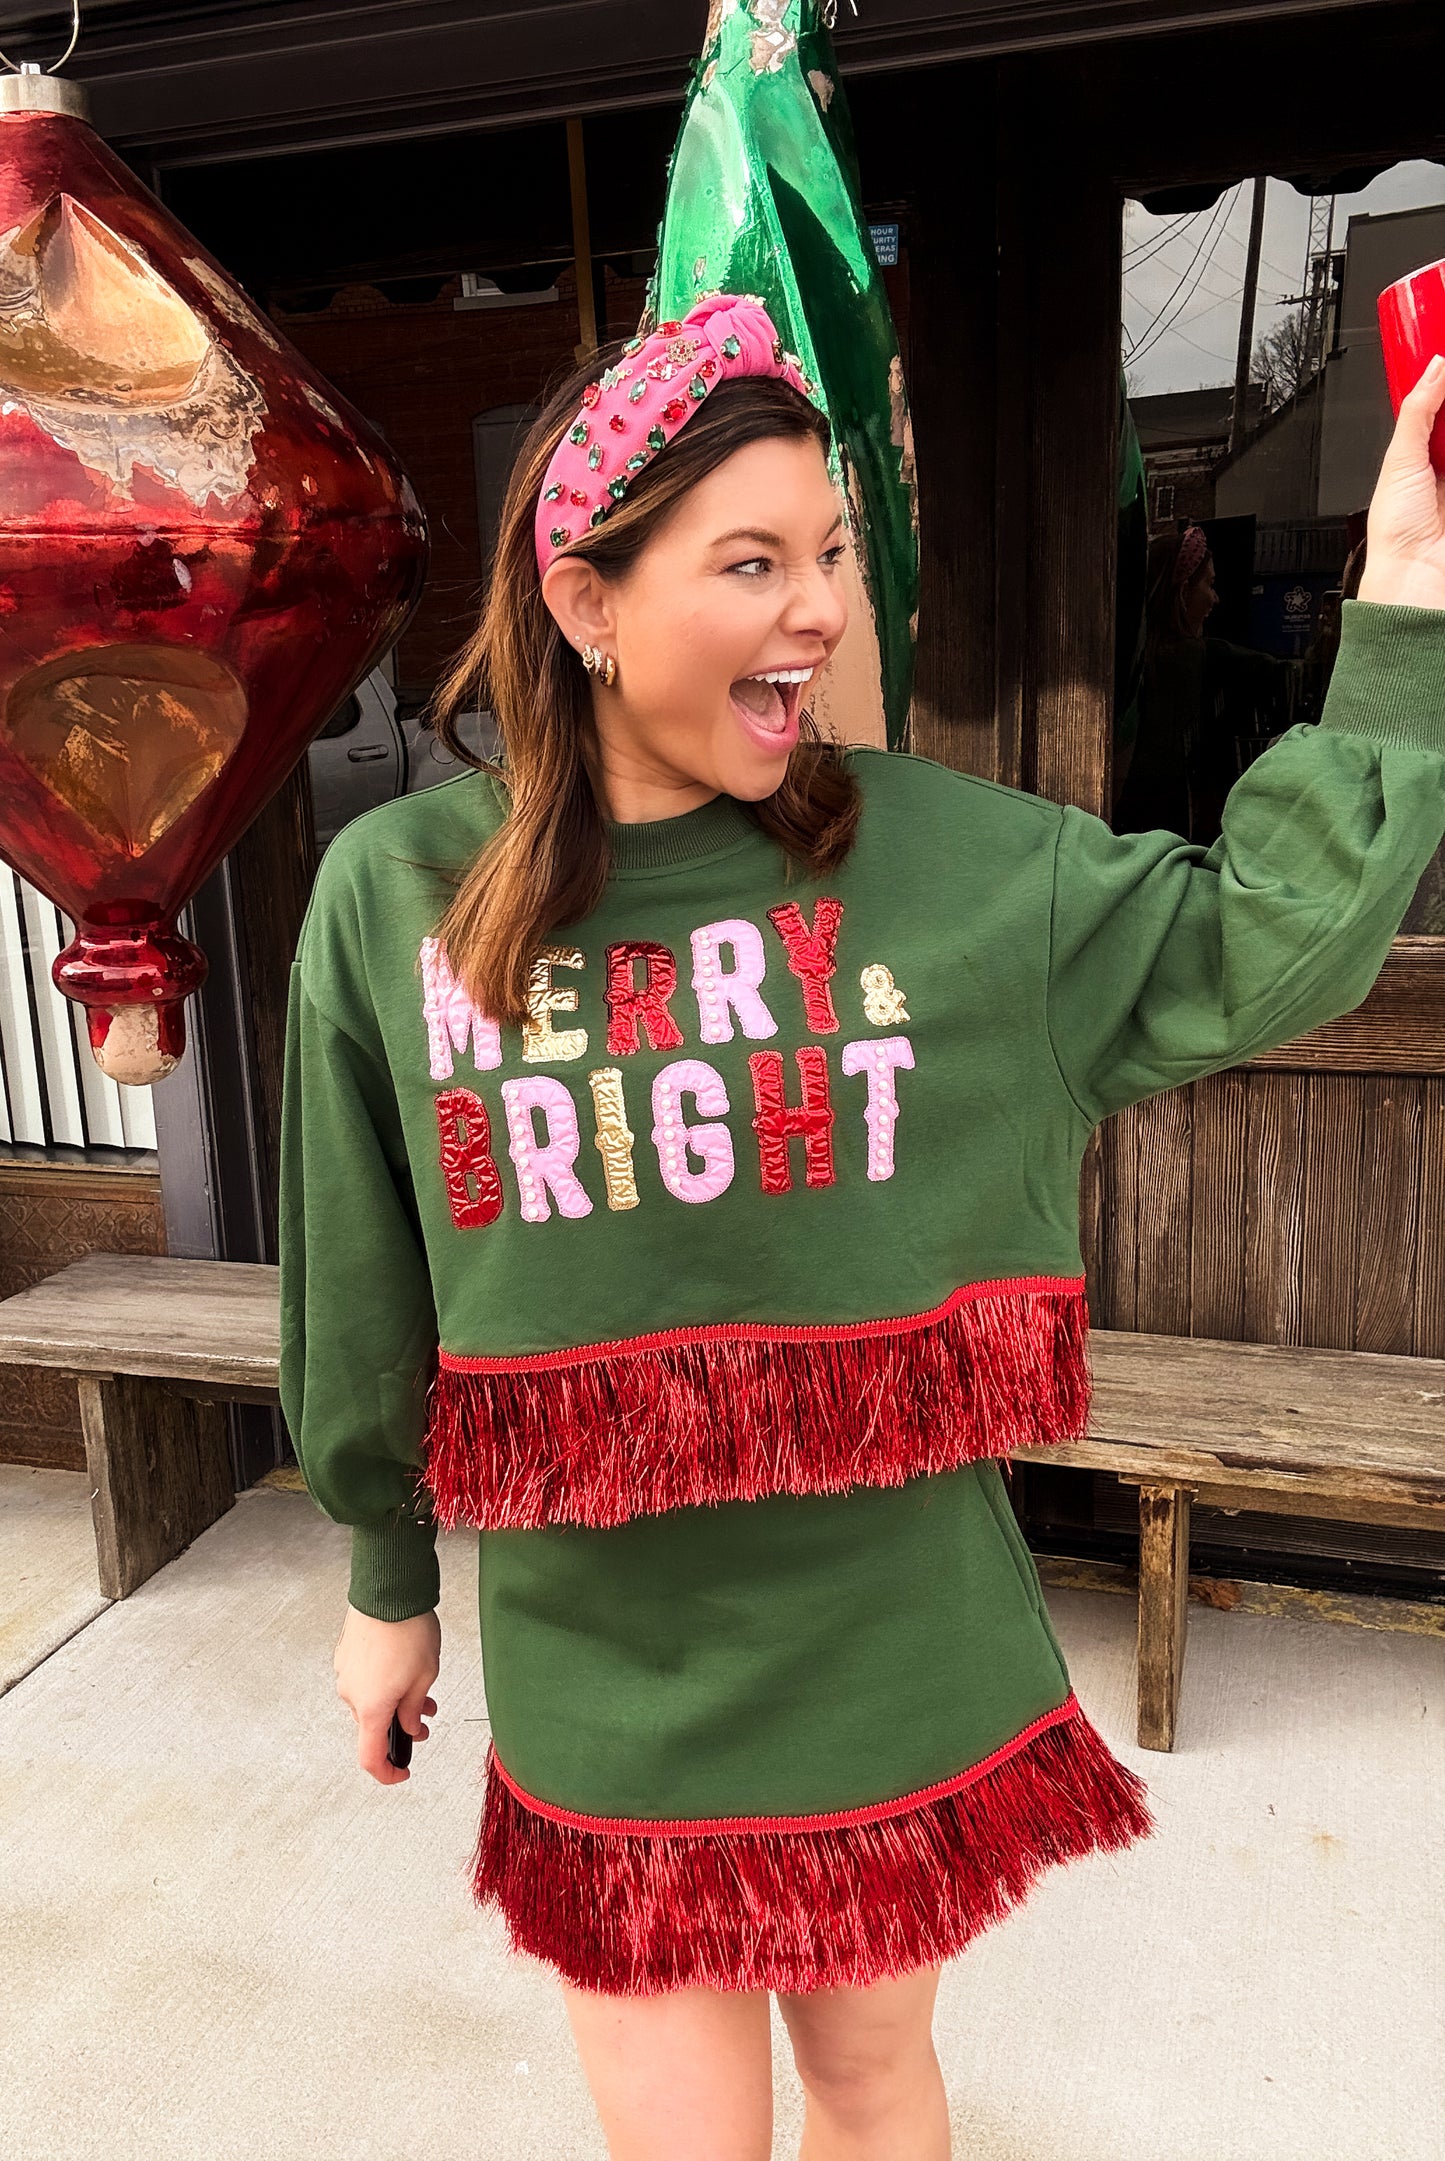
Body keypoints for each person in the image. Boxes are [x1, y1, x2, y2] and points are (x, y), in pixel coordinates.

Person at [278, 299, 1445, 2160]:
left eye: (830, 551)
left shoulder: (941, 862)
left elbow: (1267, 937)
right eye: (751, 560)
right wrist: (385, 1580)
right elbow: (362, 1271)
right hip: (609, 1673)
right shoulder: (393, 896)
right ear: (585, 600)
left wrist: (1398, 606)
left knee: (875, 2085)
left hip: (890, 1637)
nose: (818, 607)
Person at [1113, 524, 1294, 844]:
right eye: (1209, 584)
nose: (1215, 598)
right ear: (1183, 592)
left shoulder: (1126, 663)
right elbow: (1281, 675)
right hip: (1180, 840)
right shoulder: (1208, 660)